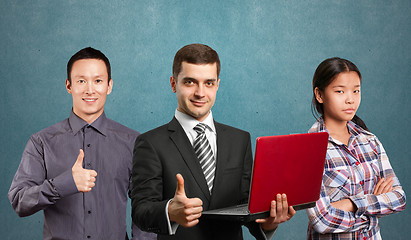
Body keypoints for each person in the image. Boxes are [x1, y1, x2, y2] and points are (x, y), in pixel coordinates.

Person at [131, 43, 295, 240]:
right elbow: (141, 210)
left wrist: (270, 222)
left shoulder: (239, 140)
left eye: (208, 83)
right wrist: (170, 211)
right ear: (174, 84)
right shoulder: (150, 143)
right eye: (190, 82)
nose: (200, 93)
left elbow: (247, 207)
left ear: (217, 84)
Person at [8, 47, 155, 240]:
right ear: (69, 86)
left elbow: (145, 207)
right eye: (81, 81)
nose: (90, 89)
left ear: (109, 86)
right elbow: (19, 201)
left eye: (98, 81)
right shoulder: (41, 142)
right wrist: (64, 183)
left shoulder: (134, 142)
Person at [306, 57, 406, 239]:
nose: (350, 99)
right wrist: (373, 209)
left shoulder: (370, 141)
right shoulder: (309, 148)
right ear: (320, 95)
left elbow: (399, 198)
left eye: (356, 91)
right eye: (340, 91)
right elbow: (322, 220)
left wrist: (351, 204)